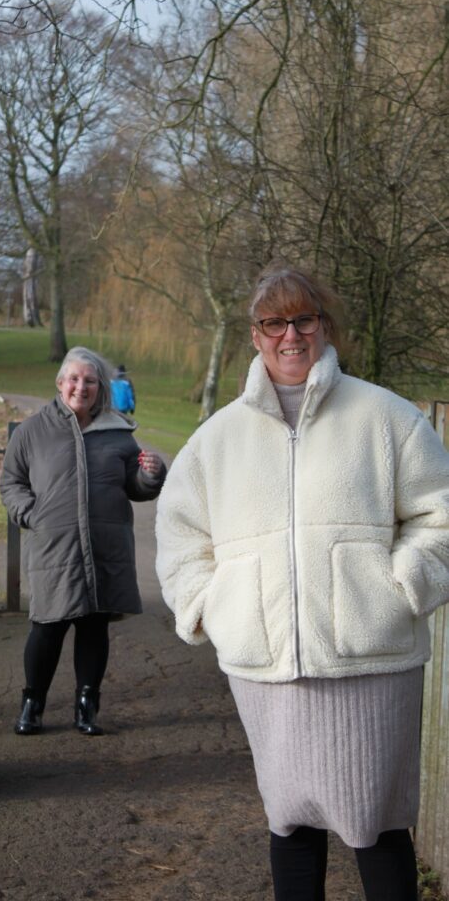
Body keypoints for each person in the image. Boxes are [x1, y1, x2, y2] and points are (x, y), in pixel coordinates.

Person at [155, 261, 449, 901]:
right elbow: (180, 539)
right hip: (266, 668)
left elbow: (441, 515)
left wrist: (401, 586)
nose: (291, 335)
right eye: (274, 322)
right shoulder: (217, 440)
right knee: (288, 821)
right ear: (255, 336)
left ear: (324, 326)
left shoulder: (387, 418)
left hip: (371, 661)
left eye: (303, 319)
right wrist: (212, 607)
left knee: (378, 825)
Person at [0, 345, 166, 736]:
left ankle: (86, 707)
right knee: (47, 626)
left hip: (106, 546)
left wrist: (151, 475)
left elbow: (136, 487)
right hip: (53, 546)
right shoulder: (31, 432)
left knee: (94, 626)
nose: (81, 386)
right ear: (60, 384)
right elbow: (11, 482)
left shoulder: (118, 432)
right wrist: (30, 513)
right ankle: (32, 705)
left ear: (100, 387)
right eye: (74, 379)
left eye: (90, 380)